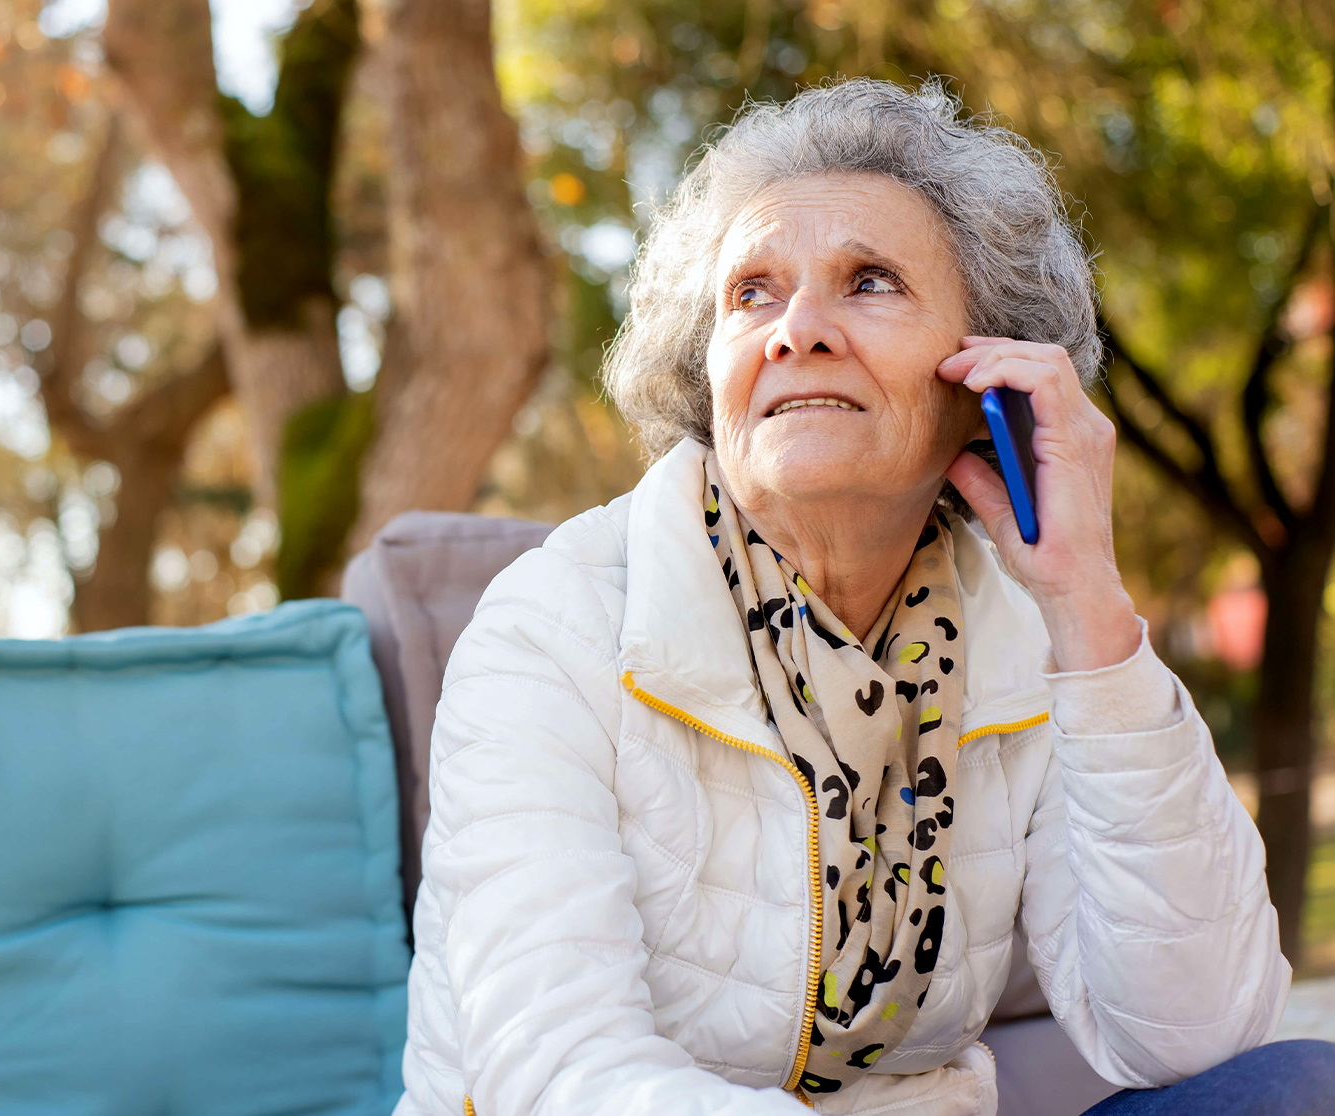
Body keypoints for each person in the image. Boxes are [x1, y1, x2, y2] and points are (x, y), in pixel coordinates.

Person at [395, 80, 1334, 1115]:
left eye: (870, 280)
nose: (796, 328)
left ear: (985, 378)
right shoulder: (549, 627)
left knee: (1298, 1087)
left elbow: (1194, 1033)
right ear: (705, 373)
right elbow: (558, 1067)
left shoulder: (1020, 629)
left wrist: (1087, 609)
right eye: (750, 291)